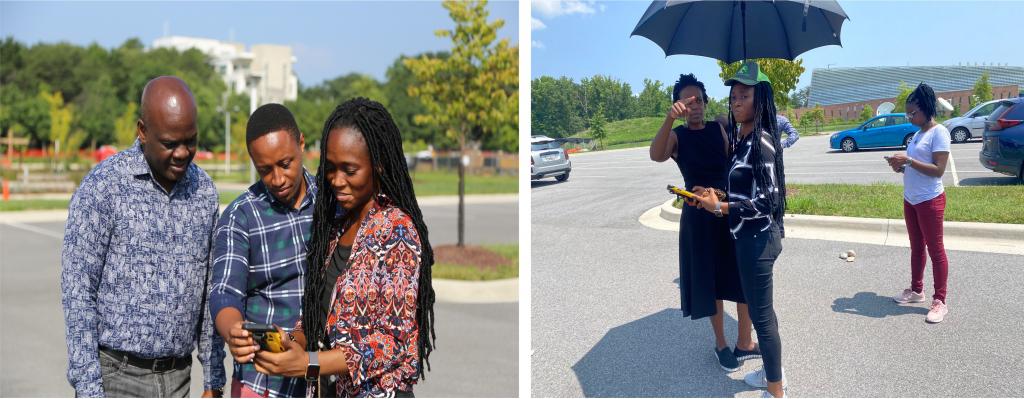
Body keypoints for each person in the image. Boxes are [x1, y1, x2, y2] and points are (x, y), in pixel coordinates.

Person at [252, 98, 435, 397]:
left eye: (349, 170)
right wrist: (289, 341)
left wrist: (310, 364)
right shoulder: (334, 228)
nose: (337, 180)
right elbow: (317, 317)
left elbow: (391, 341)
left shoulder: (396, 230)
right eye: (331, 167)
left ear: (378, 166)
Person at [61, 76, 225, 397]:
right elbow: (78, 292)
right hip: (117, 379)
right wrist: (88, 388)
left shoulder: (204, 192)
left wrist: (213, 379)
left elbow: (209, 294)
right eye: (169, 143)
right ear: (142, 131)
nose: (182, 153)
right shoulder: (104, 186)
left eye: (190, 141)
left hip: (180, 377)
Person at [649, 74, 760, 373]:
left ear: (706, 102)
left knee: (739, 277)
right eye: (686, 101)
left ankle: (745, 342)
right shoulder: (677, 137)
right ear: (678, 106)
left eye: (698, 99)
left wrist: (722, 194)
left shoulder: (720, 128)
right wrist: (668, 121)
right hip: (698, 218)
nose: (693, 106)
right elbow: (656, 155)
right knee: (711, 283)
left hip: (726, 211)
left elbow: (732, 166)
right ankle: (722, 344)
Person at [693, 61, 788, 398]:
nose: (736, 102)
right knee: (765, 312)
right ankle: (771, 374)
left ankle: (776, 391)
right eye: (733, 96)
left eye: (744, 95)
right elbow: (744, 191)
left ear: (760, 100)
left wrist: (723, 207)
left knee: (761, 319)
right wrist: (715, 197)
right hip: (748, 238)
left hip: (758, 240)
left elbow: (767, 201)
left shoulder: (761, 141)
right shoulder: (742, 141)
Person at [210, 103, 315, 397]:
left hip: (321, 376)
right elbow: (224, 291)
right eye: (265, 170)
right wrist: (233, 331)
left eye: (285, 163)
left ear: (302, 143)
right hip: (263, 383)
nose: (278, 179)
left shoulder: (331, 202)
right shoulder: (240, 216)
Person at [885, 83, 951, 324]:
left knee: (936, 250)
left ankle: (940, 301)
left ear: (926, 109)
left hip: (930, 200)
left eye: (913, 113)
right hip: (911, 199)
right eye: (908, 113)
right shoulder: (917, 134)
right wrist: (901, 167)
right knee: (916, 247)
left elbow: (938, 170)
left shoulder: (939, 132)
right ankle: (916, 291)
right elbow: (915, 166)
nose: (910, 117)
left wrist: (909, 161)